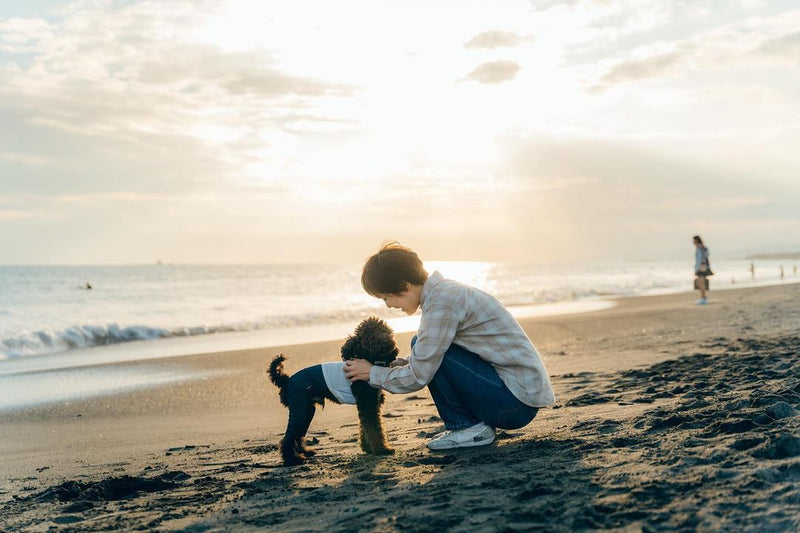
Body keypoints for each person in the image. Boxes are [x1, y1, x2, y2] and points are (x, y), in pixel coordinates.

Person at [343, 242, 555, 451]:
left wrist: (372, 373)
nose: (388, 305)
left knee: (424, 348)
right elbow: (440, 350)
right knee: (421, 345)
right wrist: (404, 363)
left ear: (404, 286)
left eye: (386, 297)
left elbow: (418, 376)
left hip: (514, 405)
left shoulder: (441, 303)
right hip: (516, 395)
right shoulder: (444, 293)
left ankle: (469, 428)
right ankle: (468, 426)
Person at [693, 235, 712, 305]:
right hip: (705, 267)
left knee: (701, 284)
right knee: (703, 283)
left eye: (694, 240)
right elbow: (707, 256)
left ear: (696, 240)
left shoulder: (699, 248)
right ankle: (703, 298)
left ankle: (703, 298)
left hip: (700, 268)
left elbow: (698, 260)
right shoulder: (705, 248)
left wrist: (696, 269)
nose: (693, 242)